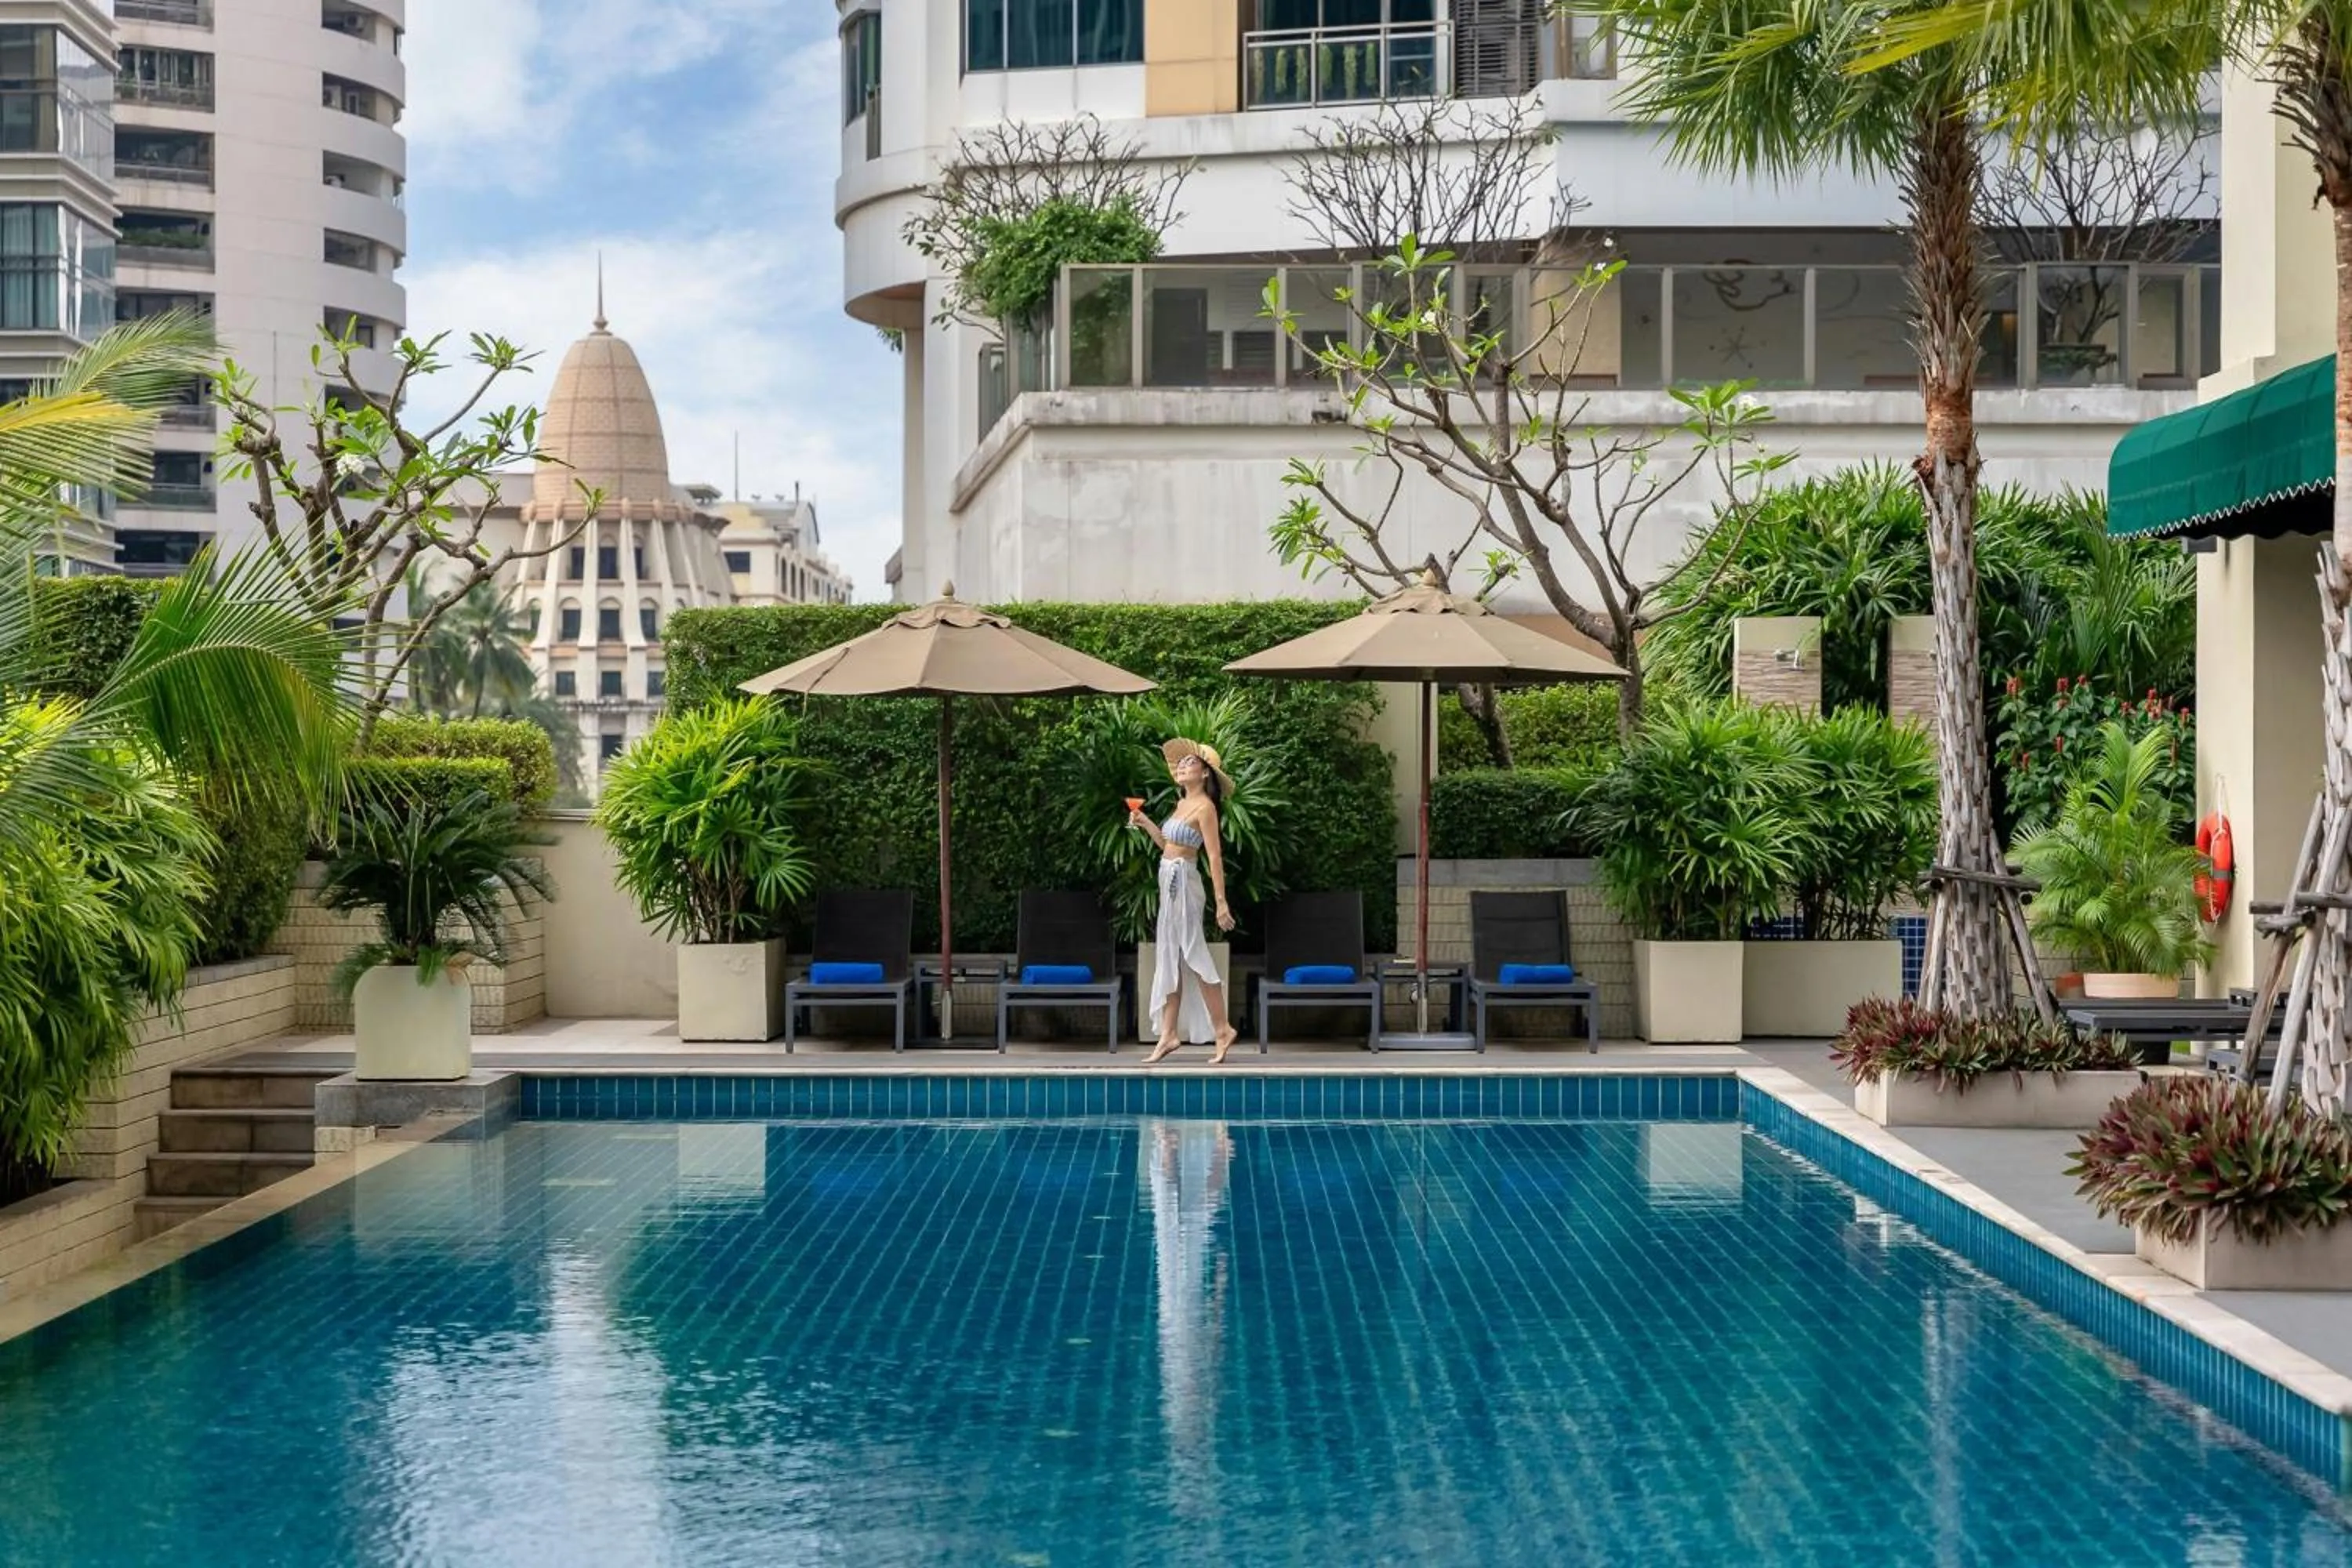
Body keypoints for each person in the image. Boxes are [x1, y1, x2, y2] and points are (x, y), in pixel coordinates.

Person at [1132, 738, 1239, 1065]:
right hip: (1168, 879)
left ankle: (1222, 1029)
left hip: (1187, 883)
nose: (1182, 767)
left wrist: (1221, 903)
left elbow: (1215, 857)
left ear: (1206, 774)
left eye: (1190, 763)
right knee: (1169, 954)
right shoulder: (1181, 804)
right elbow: (1167, 844)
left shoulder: (1205, 808)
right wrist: (1146, 822)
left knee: (1193, 953)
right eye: (1181, 764)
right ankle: (1168, 1034)